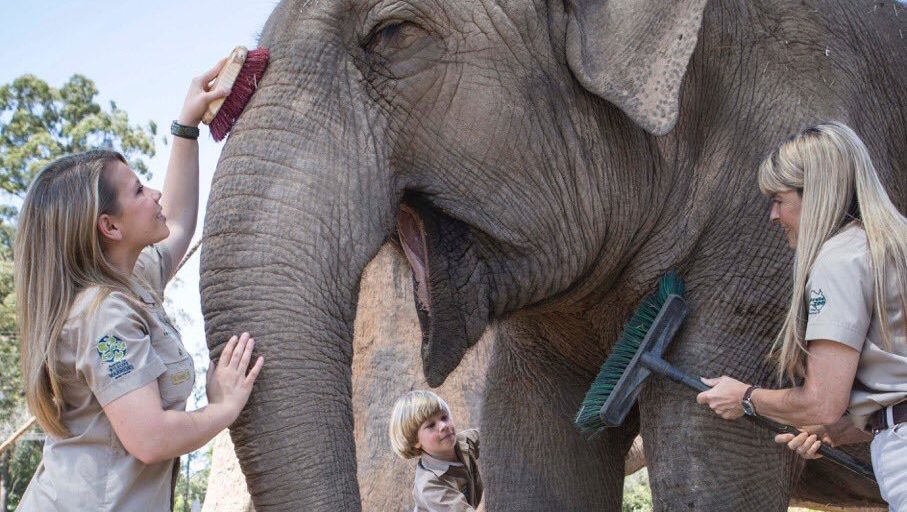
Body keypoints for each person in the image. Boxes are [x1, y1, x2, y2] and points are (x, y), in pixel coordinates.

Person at [15, 60, 265, 511]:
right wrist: (222, 409)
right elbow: (150, 438)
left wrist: (185, 126)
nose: (152, 194)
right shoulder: (103, 317)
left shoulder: (132, 279)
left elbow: (181, 221)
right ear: (109, 227)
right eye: (137, 191)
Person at [696, 122, 907, 508]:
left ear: (816, 196)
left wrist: (745, 398)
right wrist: (846, 429)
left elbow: (821, 401)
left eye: (779, 199)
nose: (773, 216)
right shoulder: (893, 246)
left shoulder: (840, 260)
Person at [389, 390, 485, 512]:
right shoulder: (429, 485)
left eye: (444, 417)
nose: (443, 426)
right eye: (431, 425)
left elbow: (495, 435)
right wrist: (494, 485)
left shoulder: (464, 442)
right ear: (414, 441)